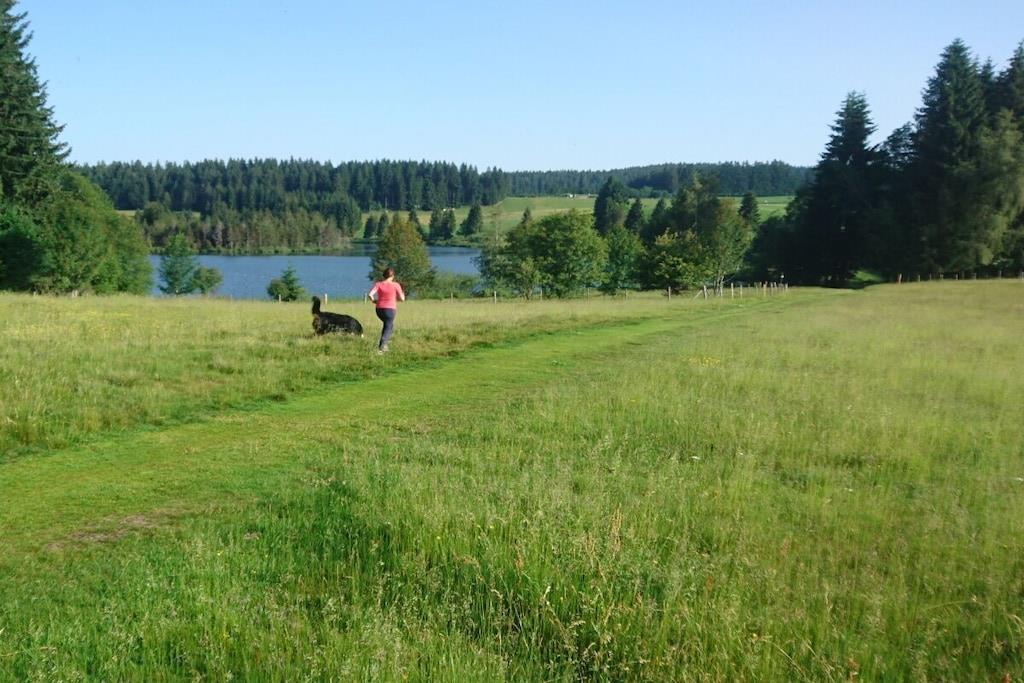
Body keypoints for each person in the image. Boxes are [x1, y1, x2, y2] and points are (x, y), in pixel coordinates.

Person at [367, 267, 405, 353]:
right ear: (393, 276)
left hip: (379, 309)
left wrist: (374, 301)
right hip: (390, 309)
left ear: (384, 275)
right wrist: (399, 295)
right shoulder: (396, 285)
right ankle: (381, 347)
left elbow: (370, 294)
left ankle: (385, 344)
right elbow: (402, 299)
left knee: (389, 325)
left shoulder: (378, 284)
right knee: (388, 327)